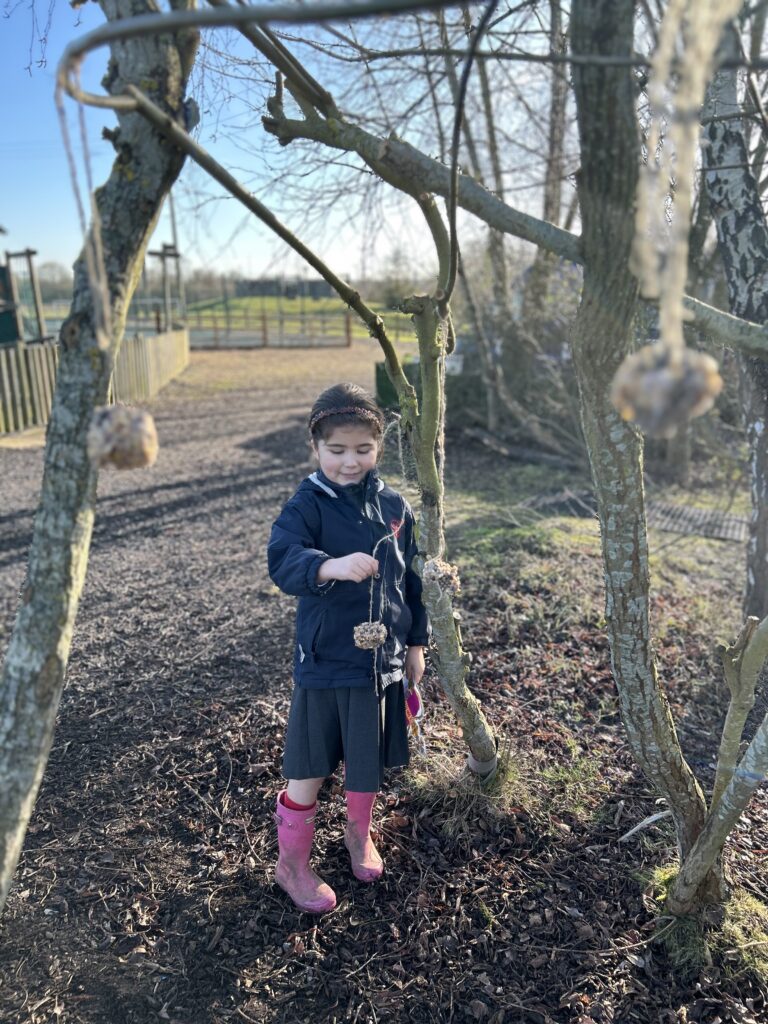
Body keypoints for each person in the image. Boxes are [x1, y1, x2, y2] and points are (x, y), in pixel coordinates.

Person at [267, 382, 429, 913]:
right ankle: (291, 863)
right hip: (325, 662)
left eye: (363, 449)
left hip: (379, 664)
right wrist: (328, 566)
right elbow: (282, 559)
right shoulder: (307, 504)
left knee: (366, 760)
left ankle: (359, 835)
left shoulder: (394, 507)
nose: (349, 461)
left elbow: (412, 583)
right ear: (315, 448)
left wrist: (416, 644)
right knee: (309, 765)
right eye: (336, 450)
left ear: (378, 448)